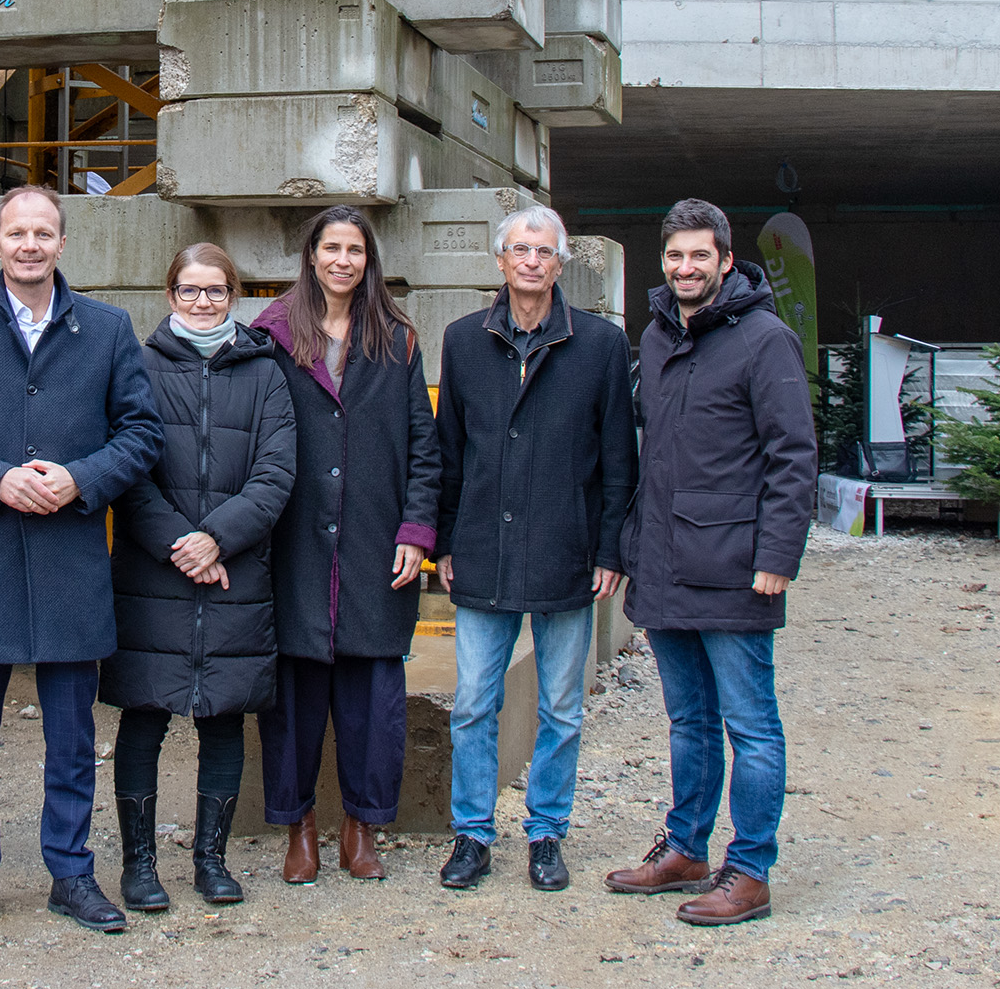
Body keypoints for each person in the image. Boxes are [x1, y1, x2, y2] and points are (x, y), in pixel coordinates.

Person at [0, 184, 163, 936]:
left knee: (72, 736)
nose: (30, 244)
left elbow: (142, 434)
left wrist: (82, 477)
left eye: (43, 232)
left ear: (62, 243)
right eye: (17, 232)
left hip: (71, 559)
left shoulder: (108, 331)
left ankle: (70, 872)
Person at [604, 199, 817, 927]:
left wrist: (778, 553)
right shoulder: (659, 337)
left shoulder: (766, 340)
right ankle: (687, 848)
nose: (685, 267)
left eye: (700, 255)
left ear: (726, 259)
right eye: (674, 256)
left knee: (750, 724)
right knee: (688, 720)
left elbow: (794, 457)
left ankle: (750, 868)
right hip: (663, 563)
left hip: (734, 565)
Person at [433, 205, 638, 894]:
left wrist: (611, 547)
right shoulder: (464, 341)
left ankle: (546, 830)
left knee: (560, 705)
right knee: (471, 703)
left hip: (566, 548)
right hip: (483, 547)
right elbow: (448, 453)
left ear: (560, 263)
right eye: (519, 248)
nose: (530, 260)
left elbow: (618, 458)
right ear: (500, 260)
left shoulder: (601, 345)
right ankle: (472, 833)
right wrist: (444, 538)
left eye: (543, 250)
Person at [102, 243, 296, 912]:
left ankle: (211, 861)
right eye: (190, 289)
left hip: (234, 571)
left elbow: (276, 474)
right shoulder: (138, 365)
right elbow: (127, 468)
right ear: (169, 294)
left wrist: (217, 538)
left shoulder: (266, 372)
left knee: (222, 717)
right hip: (155, 570)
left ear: (234, 295)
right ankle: (139, 864)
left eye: (216, 290)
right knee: (145, 714)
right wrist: (179, 541)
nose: (203, 301)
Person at [251, 205, 439, 883]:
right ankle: (298, 828)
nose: (342, 260)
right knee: (293, 701)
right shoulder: (271, 334)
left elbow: (425, 444)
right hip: (296, 542)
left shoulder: (397, 339)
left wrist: (416, 532)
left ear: (369, 260)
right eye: (330, 247)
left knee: (373, 701)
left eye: (354, 249)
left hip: (373, 543)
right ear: (310, 255)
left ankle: (361, 827)